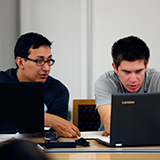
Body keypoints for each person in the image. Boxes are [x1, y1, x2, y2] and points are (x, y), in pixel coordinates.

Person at [0, 32, 80, 138]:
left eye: (48, 61)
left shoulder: (58, 91)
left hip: (40, 150)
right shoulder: (3, 82)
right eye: (39, 61)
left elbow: (55, 135)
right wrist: (49, 119)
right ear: (20, 62)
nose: (46, 68)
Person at [94, 35, 160, 136]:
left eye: (139, 71)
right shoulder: (105, 82)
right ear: (115, 68)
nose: (133, 80)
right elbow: (110, 125)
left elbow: (117, 128)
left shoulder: (157, 80)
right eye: (126, 72)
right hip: (111, 146)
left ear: (146, 66)